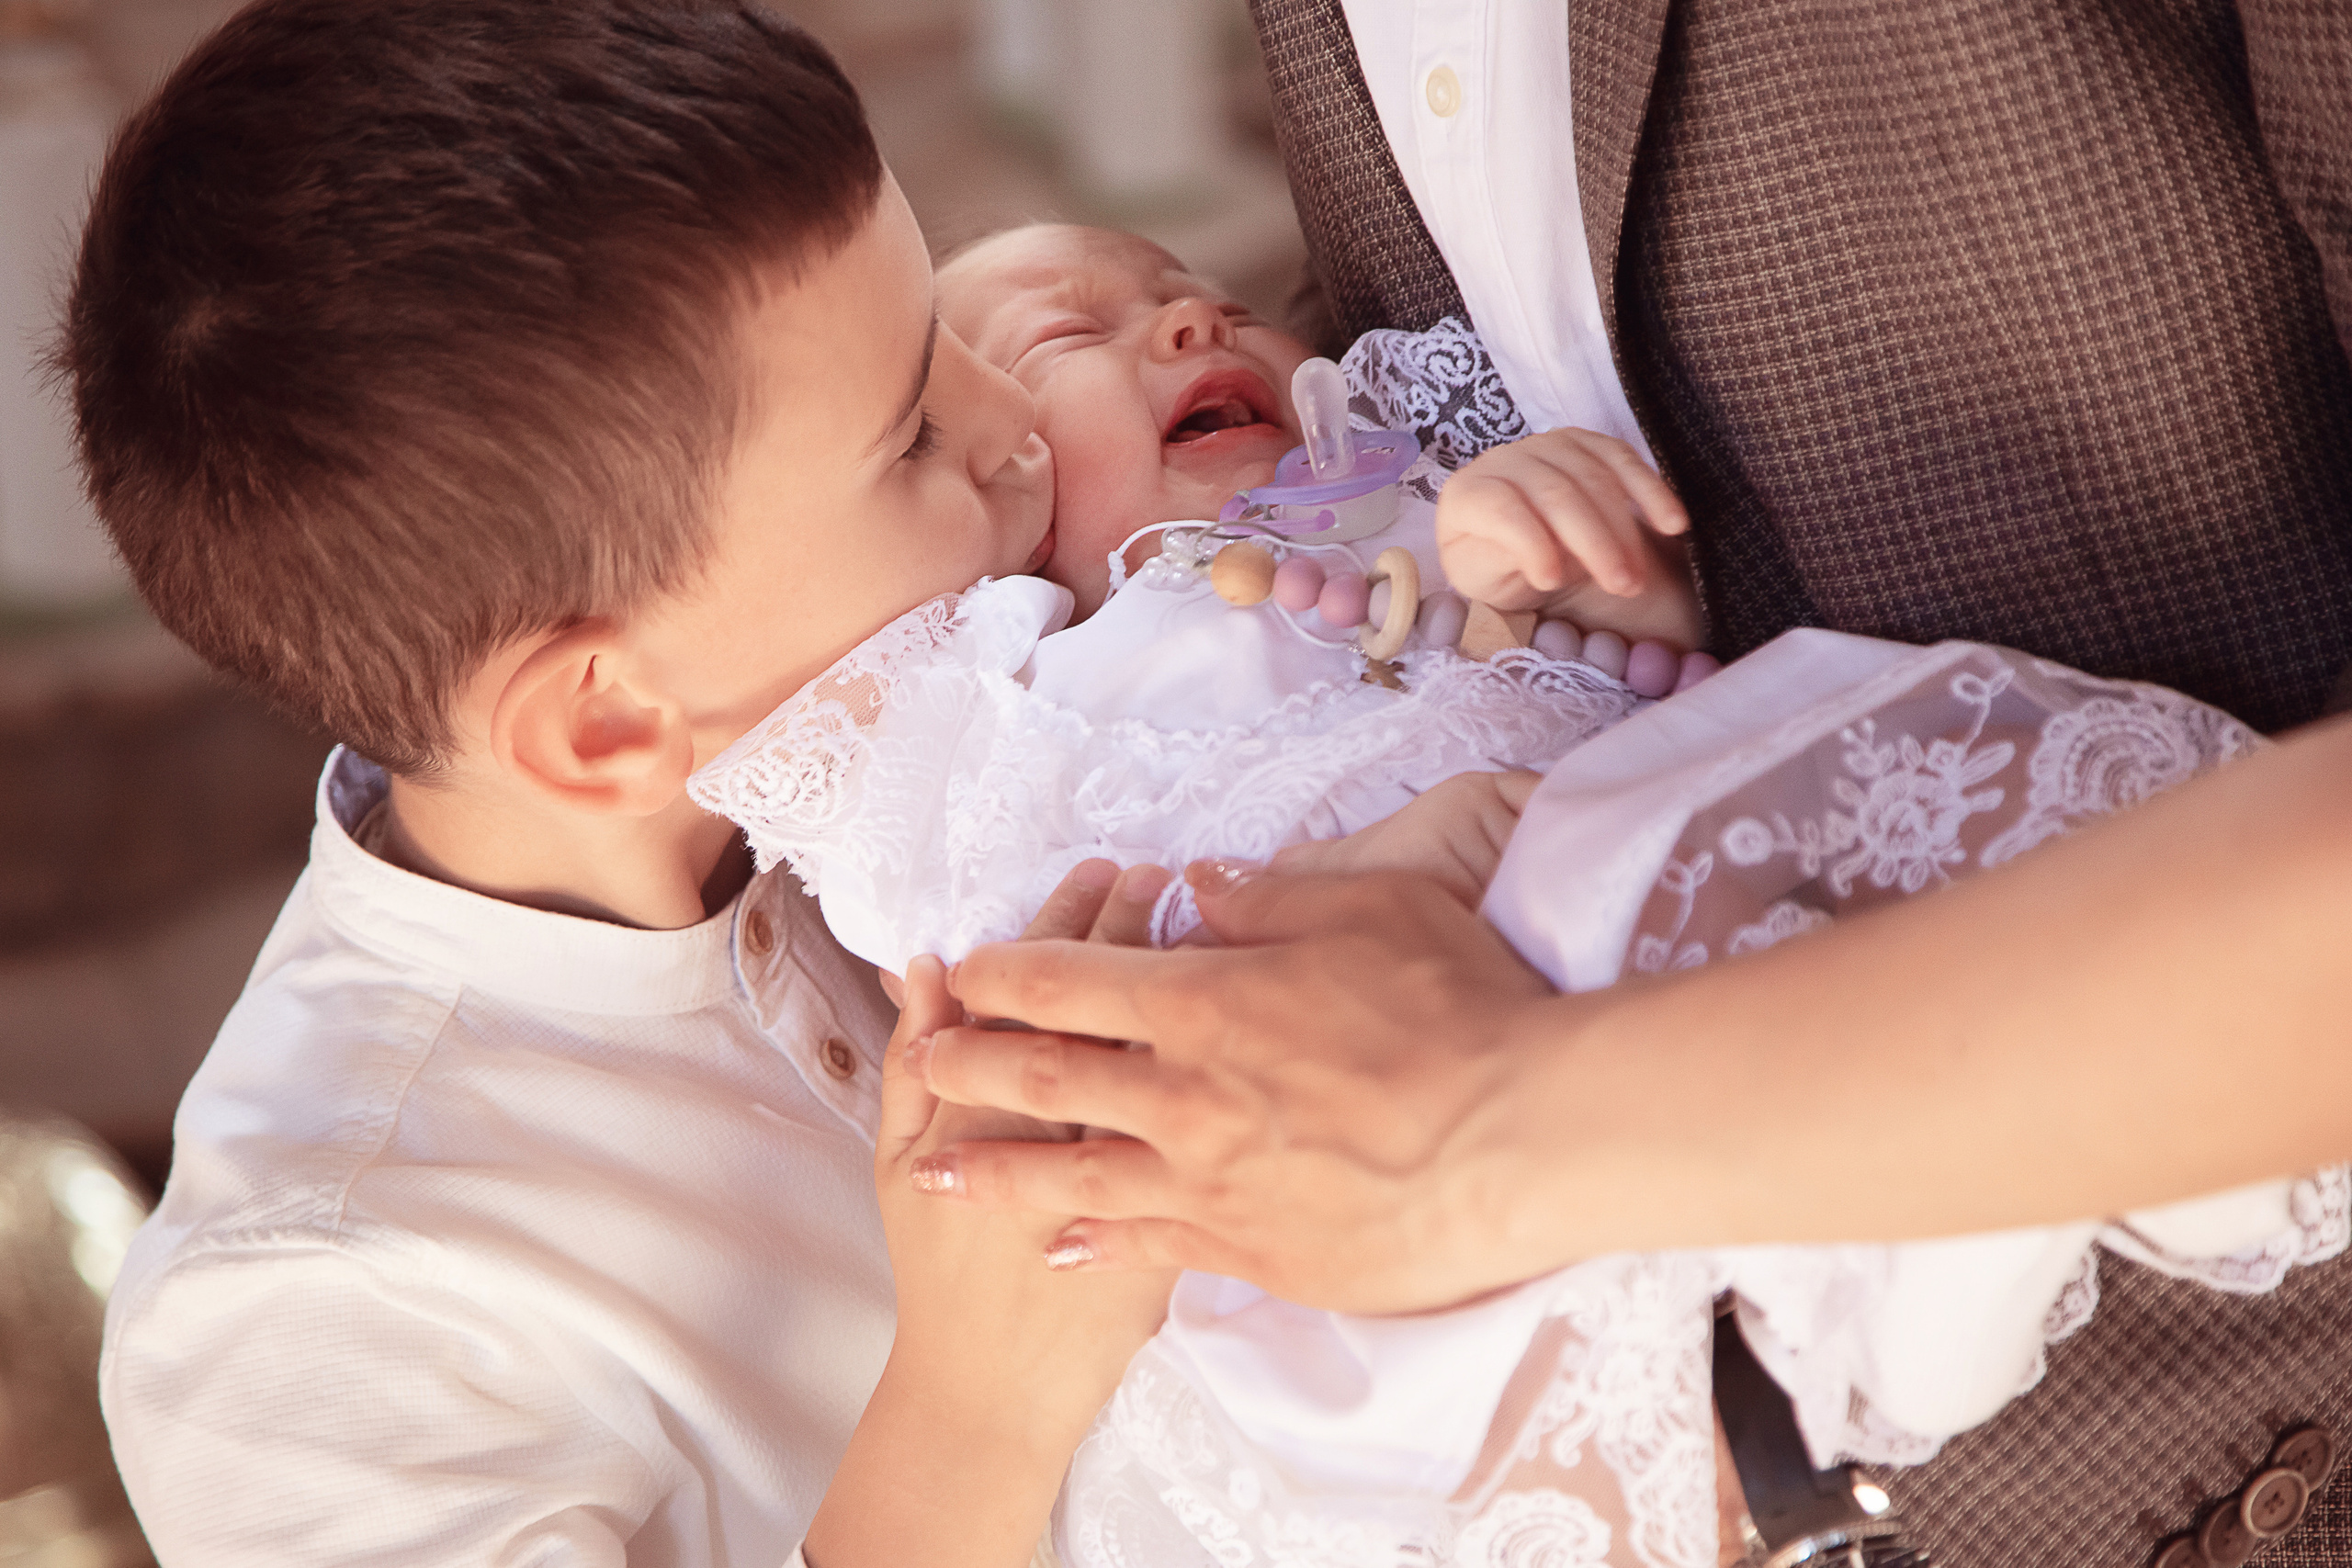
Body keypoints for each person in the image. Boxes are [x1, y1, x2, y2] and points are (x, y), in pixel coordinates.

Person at [907, 3, 2352, 1562]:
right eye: (1069, 335)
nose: (1192, 321)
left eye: (1191, 289)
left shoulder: (1377, 513)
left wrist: (1567, 588)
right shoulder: (1036, 710)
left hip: (2085, 1048)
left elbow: (1555, 638)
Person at [66, 6, 1173, 1564]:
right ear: (602, 725)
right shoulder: (316, 1316)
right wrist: (973, 1414)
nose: (1014, 429)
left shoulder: (925, 711)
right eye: (913, 432)